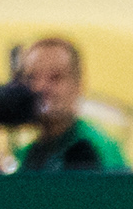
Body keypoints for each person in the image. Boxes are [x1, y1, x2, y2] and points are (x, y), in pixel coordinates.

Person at [12, 38, 128, 172]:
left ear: (78, 85)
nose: (40, 87)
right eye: (31, 78)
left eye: (55, 78)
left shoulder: (98, 150)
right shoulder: (26, 154)